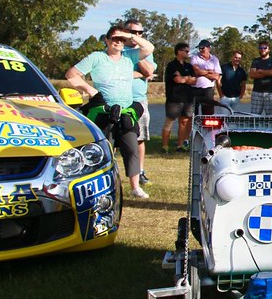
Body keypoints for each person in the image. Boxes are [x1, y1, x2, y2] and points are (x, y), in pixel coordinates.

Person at [65, 25, 154, 199]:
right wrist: (89, 90)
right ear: (106, 40)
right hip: (104, 111)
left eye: (121, 40)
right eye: (114, 39)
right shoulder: (97, 57)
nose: (118, 42)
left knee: (131, 148)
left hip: (126, 111)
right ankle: (102, 185)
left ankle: (135, 187)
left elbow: (149, 48)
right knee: (104, 150)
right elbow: (71, 74)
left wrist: (128, 35)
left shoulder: (129, 56)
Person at [122, 19, 156, 186]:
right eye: (133, 33)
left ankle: (140, 171)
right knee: (114, 139)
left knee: (139, 139)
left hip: (139, 100)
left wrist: (138, 55)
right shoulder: (117, 48)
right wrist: (138, 73)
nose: (136, 36)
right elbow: (115, 73)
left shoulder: (146, 51)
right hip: (118, 100)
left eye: (139, 33)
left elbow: (149, 71)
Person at [161, 43, 196, 152]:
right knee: (169, 121)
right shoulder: (172, 66)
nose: (187, 53)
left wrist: (184, 78)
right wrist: (187, 79)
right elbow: (177, 80)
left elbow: (194, 81)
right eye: (186, 51)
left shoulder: (189, 66)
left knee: (184, 122)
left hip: (187, 99)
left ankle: (180, 146)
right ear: (179, 52)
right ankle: (165, 146)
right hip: (174, 98)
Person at [249, 41, 272, 115]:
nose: (263, 49)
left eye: (265, 48)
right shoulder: (255, 61)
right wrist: (267, 73)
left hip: (270, 93)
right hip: (256, 92)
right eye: (261, 48)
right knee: (254, 117)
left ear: (268, 49)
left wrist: (260, 71)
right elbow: (252, 75)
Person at [190, 40, 221, 111]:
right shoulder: (194, 58)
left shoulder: (215, 59)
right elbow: (196, 71)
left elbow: (216, 76)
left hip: (208, 90)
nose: (200, 50)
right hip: (195, 89)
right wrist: (209, 71)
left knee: (208, 113)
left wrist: (202, 73)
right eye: (199, 48)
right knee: (193, 113)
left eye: (202, 48)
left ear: (209, 48)